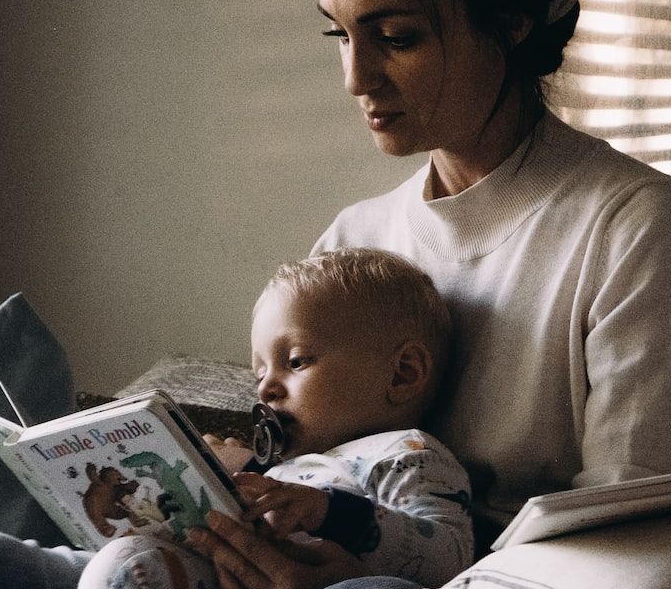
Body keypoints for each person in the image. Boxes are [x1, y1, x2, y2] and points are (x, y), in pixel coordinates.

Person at [196, 0, 671, 588]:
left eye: (397, 37)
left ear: (511, 20)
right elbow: (300, 461)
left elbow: (630, 524)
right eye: (341, 34)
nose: (356, 78)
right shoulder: (355, 239)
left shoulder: (634, 224)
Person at [77, 247, 473, 589]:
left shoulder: (408, 453)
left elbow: (449, 557)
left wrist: (329, 512)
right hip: (187, 569)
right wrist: (217, 473)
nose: (266, 389)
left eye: (296, 361)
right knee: (89, 560)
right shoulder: (283, 465)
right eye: (260, 374)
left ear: (403, 373)